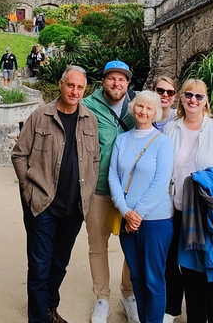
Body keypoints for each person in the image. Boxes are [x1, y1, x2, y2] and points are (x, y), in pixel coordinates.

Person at [11, 66, 100, 323]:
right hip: (42, 205)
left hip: (74, 208)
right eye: (70, 85)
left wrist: (89, 194)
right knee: (40, 267)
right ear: (61, 84)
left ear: (85, 90)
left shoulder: (89, 119)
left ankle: (50, 308)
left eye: (80, 87)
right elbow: (19, 155)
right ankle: (38, 319)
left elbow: (94, 159)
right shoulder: (40, 116)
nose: (74, 91)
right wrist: (29, 191)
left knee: (59, 263)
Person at [163, 79, 213, 323]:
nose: (193, 100)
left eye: (199, 96)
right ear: (181, 97)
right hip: (178, 213)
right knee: (191, 275)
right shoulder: (171, 129)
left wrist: (208, 182)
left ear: (206, 101)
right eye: (188, 95)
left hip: (208, 216)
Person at [109, 91, 174, 323]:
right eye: (140, 106)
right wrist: (126, 211)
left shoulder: (162, 143)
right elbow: (114, 176)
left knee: (153, 279)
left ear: (156, 113)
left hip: (155, 220)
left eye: (149, 108)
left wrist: (138, 213)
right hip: (127, 218)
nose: (143, 112)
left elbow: (161, 182)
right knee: (136, 276)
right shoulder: (122, 140)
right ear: (133, 107)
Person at [81, 61, 139, 323]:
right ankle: (102, 298)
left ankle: (128, 295)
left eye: (122, 80)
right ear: (103, 81)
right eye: (112, 79)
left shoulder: (136, 107)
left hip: (130, 191)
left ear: (128, 83)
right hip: (99, 189)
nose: (117, 84)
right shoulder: (88, 106)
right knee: (97, 245)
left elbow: (170, 119)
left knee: (133, 246)